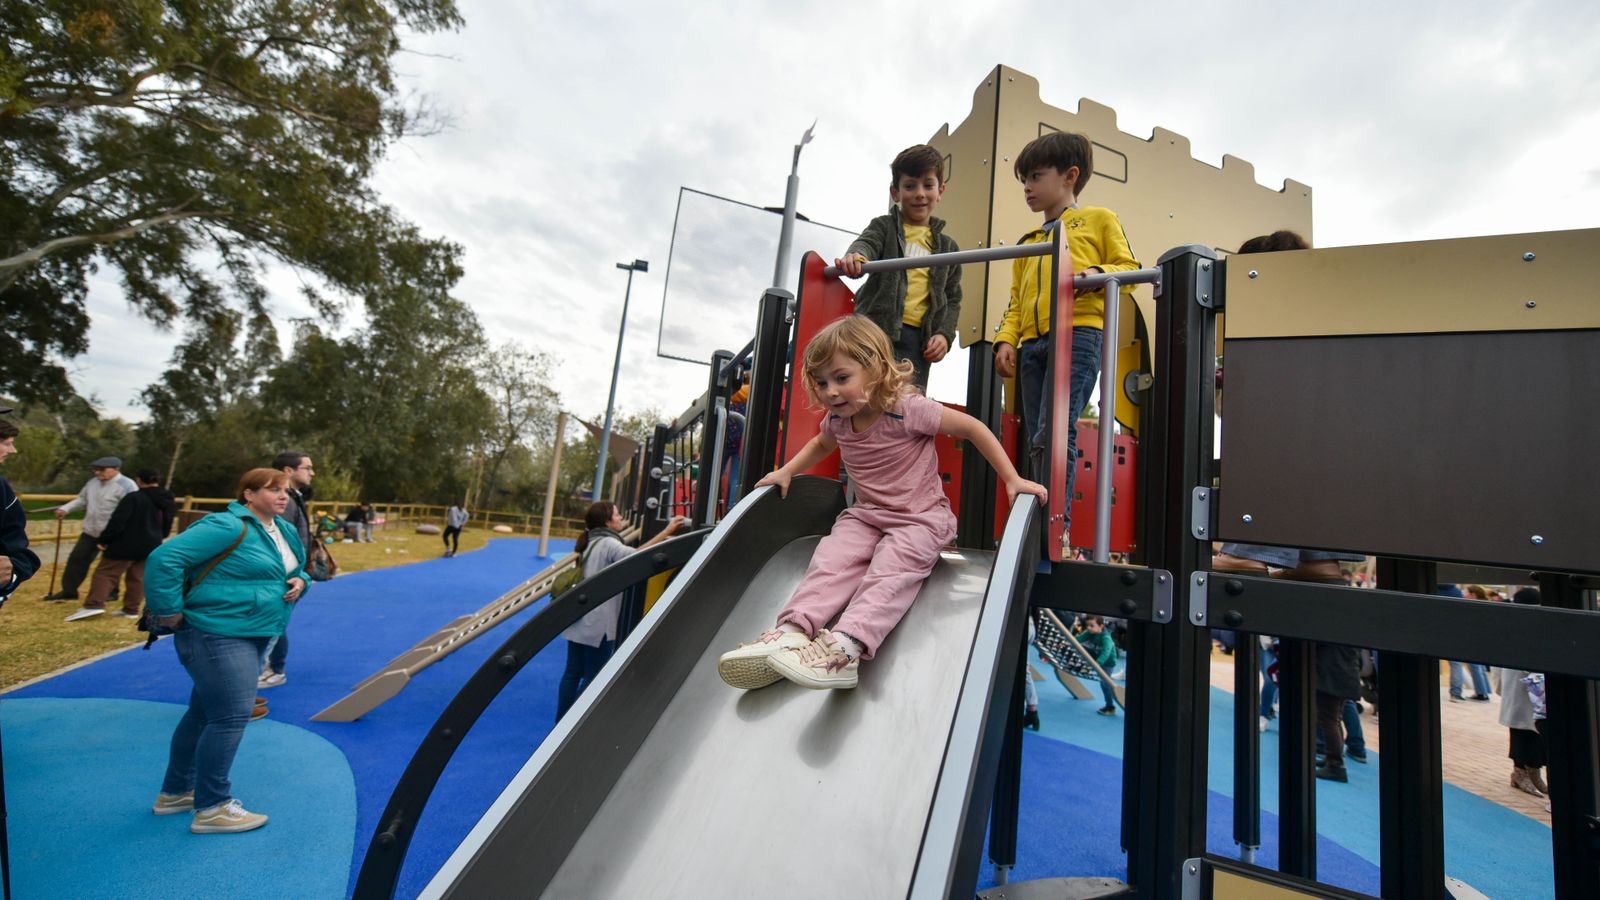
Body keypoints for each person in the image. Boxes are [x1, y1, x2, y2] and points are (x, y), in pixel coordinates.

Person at [718, 316, 1047, 691]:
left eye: (842, 378)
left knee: (889, 571)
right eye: (822, 382)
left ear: (874, 369)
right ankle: (793, 630)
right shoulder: (839, 421)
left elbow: (973, 428)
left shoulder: (908, 409)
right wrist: (787, 470)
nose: (831, 392)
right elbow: (821, 444)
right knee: (831, 559)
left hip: (920, 521)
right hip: (868, 516)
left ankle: (848, 646)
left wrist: (1012, 478)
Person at [144, 467, 309, 834]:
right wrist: (169, 611)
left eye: (285, 490)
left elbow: (297, 567)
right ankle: (213, 806)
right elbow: (163, 560)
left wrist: (301, 580)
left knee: (202, 713)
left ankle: (175, 793)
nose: (283, 496)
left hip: (256, 629)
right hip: (217, 631)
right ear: (248, 495)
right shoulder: (226, 526)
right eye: (272, 490)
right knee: (231, 716)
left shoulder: (280, 529)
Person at [992, 131, 1139, 535]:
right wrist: (1006, 338)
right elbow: (1017, 303)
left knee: (1054, 430)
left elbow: (1130, 269)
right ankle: (1037, 518)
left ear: (1070, 176)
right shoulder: (1030, 242)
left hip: (1078, 335)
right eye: (1024, 179)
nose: (1027, 187)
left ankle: (1056, 527)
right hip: (1033, 344)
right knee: (1035, 435)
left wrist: (1095, 274)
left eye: (1036, 176)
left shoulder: (1097, 220)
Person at [833, 144, 963, 391]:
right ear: (895, 192)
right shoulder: (885, 227)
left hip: (918, 339)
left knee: (906, 403)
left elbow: (953, 298)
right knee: (865, 394)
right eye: (910, 186)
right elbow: (867, 242)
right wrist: (856, 255)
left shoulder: (948, 248)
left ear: (940, 191)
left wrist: (944, 335)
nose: (920, 193)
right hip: (874, 330)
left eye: (928, 185)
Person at [557, 502, 688, 717]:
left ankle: (561, 717)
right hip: (599, 623)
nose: (621, 518)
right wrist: (667, 532)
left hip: (581, 619)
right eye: (617, 514)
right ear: (607, 521)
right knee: (593, 674)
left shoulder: (591, 541)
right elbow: (636, 556)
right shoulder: (608, 543)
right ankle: (572, 719)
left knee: (573, 672)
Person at [67, 468, 176, 621]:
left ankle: (93, 605)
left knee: (105, 573)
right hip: (151, 542)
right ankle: (131, 609)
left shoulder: (133, 498)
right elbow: (168, 521)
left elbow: (118, 522)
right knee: (138, 576)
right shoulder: (167, 498)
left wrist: (104, 540)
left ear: (139, 480)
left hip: (126, 543)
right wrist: (161, 535)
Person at [258, 452, 315, 690]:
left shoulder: (294, 497)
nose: (312, 473)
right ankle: (270, 669)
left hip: (290, 574)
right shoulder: (286, 500)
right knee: (273, 622)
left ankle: (272, 668)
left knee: (275, 622)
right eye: (307, 467)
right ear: (288, 470)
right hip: (280, 574)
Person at [43, 456, 136, 601]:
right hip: (90, 531)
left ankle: (111, 593)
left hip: (114, 534)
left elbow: (132, 509)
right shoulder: (92, 483)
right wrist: (65, 509)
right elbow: (82, 500)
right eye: (95, 469)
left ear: (116, 469)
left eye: (101, 470)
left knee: (110, 565)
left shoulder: (128, 485)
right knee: (76, 559)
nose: (97, 473)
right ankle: (69, 591)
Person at [1500, 587, 1548, 796]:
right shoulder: (1516, 626)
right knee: (1523, 731)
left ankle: (1532, 771)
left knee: (1534, 730)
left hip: (1533, 687)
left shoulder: (1520, 624)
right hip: (1523, 687)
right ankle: (1521, 773)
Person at [0, 413, 41, 606]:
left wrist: (12, 571)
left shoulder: (1, 488)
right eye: (6, 443)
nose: (13, 450)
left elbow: (16, 548)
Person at [1436, 584, 1492, 701]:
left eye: (1466, 592)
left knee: (1460, 664)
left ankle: (1458, 692)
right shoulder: (1481, 604)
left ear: (1473, 595)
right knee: (1477, 665)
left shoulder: (1469, 605)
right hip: (1475, 638)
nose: (1463, 594)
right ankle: (1484, 692)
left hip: (1461, 636)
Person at [1076, 614, 1120, 715]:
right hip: (1096, 656)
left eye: (1092, 625)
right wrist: (1064, 642)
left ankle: (1110, 707)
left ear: (1101, 626)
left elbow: (1106, 653)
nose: (1088, 628)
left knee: (1105, 684)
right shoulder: (1089, 632)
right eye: (1087, 625)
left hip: (1107, 663)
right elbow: (1077, 640)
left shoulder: (1106, 638)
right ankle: (1079, 666)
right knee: (1079, 647)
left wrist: (1096, 665)